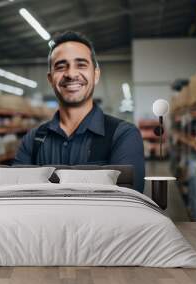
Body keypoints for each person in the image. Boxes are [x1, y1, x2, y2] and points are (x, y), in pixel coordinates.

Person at [13, 31, 145, 193]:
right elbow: (18, 199)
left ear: (95, 75)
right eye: (61, 67)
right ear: (50, 79)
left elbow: (127, 204)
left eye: (81, 65)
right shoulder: (32, 141)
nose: (71, 74)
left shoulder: (123, 136)